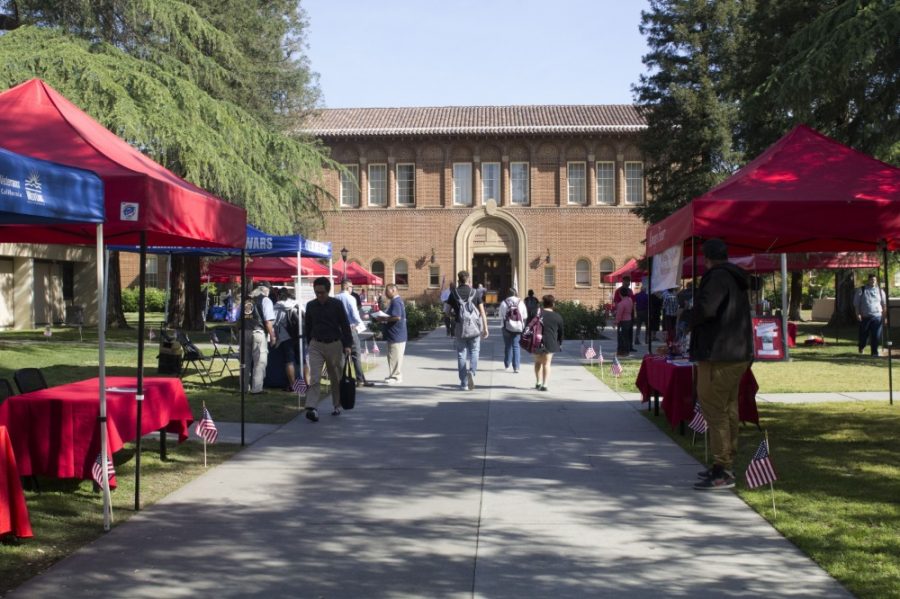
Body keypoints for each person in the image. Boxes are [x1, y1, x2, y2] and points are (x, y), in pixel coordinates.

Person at [689, 239, 753, 490]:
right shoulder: (736, 278)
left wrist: (688, 317)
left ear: (707, 259)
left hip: (719, 353)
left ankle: (722, 467)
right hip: (735, 352)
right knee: (728, 407)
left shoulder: (716, 277)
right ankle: (725, 462)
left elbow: (707, 309)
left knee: (714, 408)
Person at [303, 277, 353, 422]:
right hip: (316, 345)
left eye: (322, 293)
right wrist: (309, 342)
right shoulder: (310, 305)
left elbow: (345, 325)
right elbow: (308, 326)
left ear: (328, 290)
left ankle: (337, 405)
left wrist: (347, 345)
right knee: (315, 377)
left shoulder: (336, 304)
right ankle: (311, 407)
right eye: (317, 293)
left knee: (336, 377)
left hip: (334, 345)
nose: (319, 296)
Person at [445, 270, 489, 390]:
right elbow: (482, 312)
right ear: (468, 279)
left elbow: (446, 312)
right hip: (474, 327)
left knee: (461, 354)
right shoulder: (475, 292)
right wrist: (485, 328)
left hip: (460, 327)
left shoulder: (453, 293)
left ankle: (464, 383)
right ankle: (472, 372)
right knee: (474, 351)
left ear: (459, 280)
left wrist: (454, 314)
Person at [336, 279, 374, 387]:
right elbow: (355, 314)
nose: (352, 288)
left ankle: (342, 379)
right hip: (350, 328)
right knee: (356, 354)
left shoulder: (335, 298)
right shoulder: (350, 298)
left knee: (342, 355)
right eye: (351, 286)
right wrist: (360, 324)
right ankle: (360, 379)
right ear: (347, 287)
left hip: (339, 330)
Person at [243, 281, 276, 394]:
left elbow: (242, 317)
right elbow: (267, 321)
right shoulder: (266, 300)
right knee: (259, 362)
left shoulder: (247, 300)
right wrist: (272, 336)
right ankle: (256, 389)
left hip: (244, 331)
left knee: (244, 361)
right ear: (266, 290)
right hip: (258, 332)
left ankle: (243, 388)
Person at [375, 283, 407, 383]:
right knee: (392, 356)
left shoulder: (396, 301)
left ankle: (396, 376)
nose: (385, 293)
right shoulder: (395, 301)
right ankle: (393, 375)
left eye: (387, 291)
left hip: (396, 334)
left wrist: (384, 318)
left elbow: (397, 317)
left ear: (393, 290)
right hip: (395, 334)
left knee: (395, 356)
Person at [533, 294, 563, 391]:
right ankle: (545, 385)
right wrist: (560, 342)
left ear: (543, 303)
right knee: (547, 363)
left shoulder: (537, 314)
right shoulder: (557, 316)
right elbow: (561, 332)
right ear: (553, 304)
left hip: (537, 341)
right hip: (550, 342)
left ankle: (538, 382)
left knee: (538, 362)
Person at [273, 287, 301, 391]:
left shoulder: (275, 307)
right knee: (302, 361)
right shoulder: (295, 304)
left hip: (285, 337)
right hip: (298, 336)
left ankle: (293, 385)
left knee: (289, 361)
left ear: (278, 295)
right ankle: (306, 384)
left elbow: (274, 323)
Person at [853, 273, 887, 357]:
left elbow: (884, 305)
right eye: (871, 280)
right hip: (865, 317)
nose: (873, 281)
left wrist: (884, 317)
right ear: (868, 280)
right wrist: (858, 314)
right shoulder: (862, 289)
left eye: (874, 280)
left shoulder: (880, 291)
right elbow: (856, 304)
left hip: (877, 317)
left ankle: (874, 353)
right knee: (863, 336)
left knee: (876, 336)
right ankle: (861, 347)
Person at [499, 287, 527, 373]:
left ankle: (507, 364)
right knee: (516, 346)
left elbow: (501, 316)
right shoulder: (521, 302)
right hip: (518, 327)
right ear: (516, 293)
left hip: (506, 327)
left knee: (508, 346)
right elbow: (525, 316)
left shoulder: (504, 303)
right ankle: (516, 367)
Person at [615, 287, 634, 355]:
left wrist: (616, 322)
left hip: (622, 322)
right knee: (627, 337)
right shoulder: (630, 300)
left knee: (621, 337)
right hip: (629, 320)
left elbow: (619, 315)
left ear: (620, 294)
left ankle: (621, 351)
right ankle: (627, 351)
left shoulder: (621, 304)